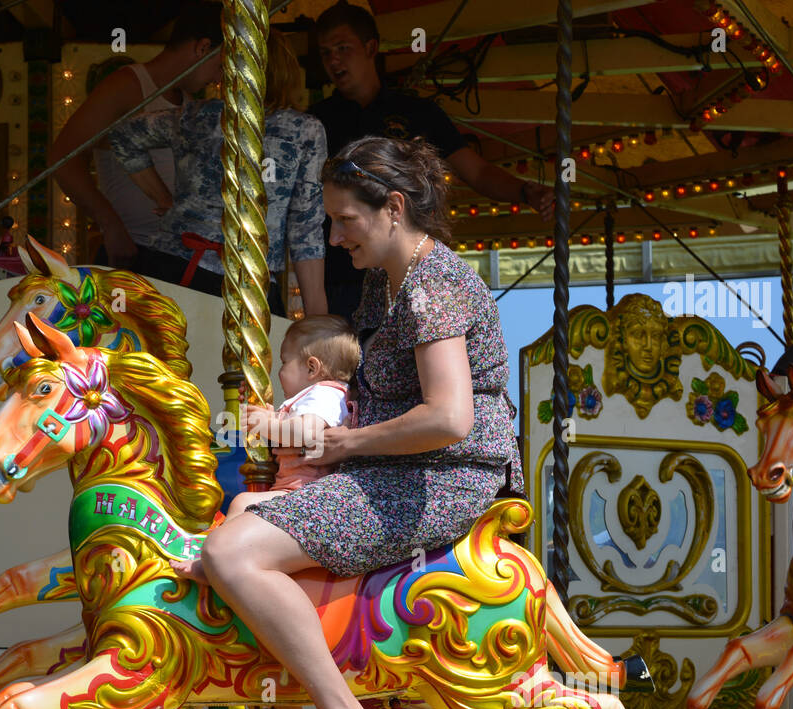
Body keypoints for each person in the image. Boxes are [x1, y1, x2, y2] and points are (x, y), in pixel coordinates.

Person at [199, 134, 525, 709]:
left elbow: (448, 415)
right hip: (394, 467)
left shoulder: (433, 283)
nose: (335, 234)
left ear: (394, 208)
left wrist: (343, 443)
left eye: (346, 219)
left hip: (436, 476)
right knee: (239, 518)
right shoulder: (390, 281)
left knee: (231, 555)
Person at [309, 0, 556, 319]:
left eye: (343, 48)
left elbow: (477, 171)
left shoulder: (418, 113)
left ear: (371, 47)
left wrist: (524, 191)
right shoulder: (316, 122)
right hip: (341, 276)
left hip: (406, 272)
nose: (334, 60)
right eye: (326, 52)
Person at [110, 28, 329, 316]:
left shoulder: (194, 117)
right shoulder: (304, 131)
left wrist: (163, 198)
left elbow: (122, 136)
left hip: (175, 266)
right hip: (245, 278)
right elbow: (305, 231)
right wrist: (317, 316)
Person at [173, 314, 360, 586]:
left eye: (284, 362)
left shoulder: (325, 394)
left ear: (312, 367)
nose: (280, 371)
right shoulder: (315, 397)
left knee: (241, 503)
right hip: (296, 487)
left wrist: (270, 424)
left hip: (307, 491)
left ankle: (215, 560)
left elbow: (306, 432)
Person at [50, 1, 224, 269]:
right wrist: (110, 225)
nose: (219, 79)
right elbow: (64, 157)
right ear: (202, 48)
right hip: (136, 250)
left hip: (180, 255)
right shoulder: (128, 85)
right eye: (220, 66)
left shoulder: (189, 104)